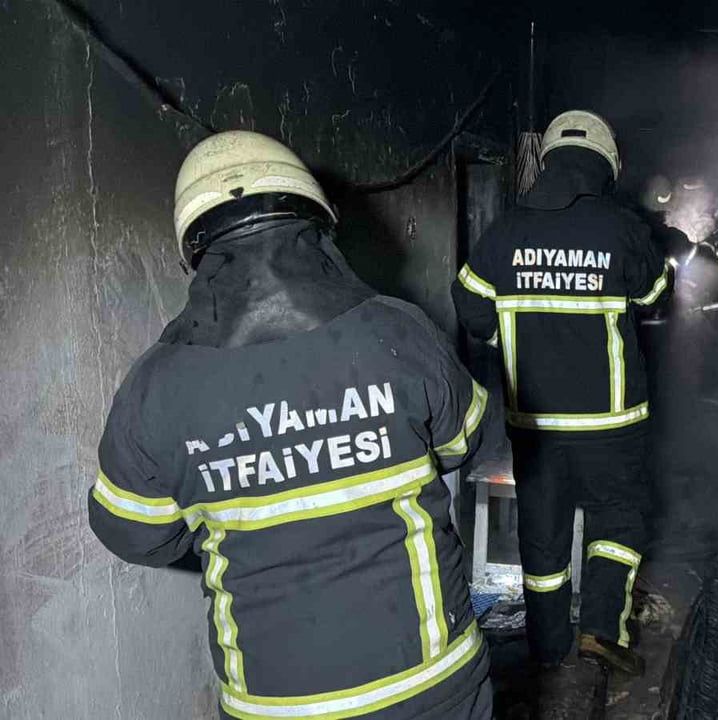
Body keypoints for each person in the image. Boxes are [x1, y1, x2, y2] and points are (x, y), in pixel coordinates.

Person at [88, 131, 493, 720]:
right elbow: (463, 441)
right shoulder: (398, 330)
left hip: (275, 702)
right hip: (433, 681)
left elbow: (133, 533)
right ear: (317, 224)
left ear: (196, 250)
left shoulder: (156, 385)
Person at [452, 111, 667, 680]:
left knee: (542, 537)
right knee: (618, 520)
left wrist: (516, 340)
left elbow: (470, 307)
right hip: (612, 423)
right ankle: (600, 630)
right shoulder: (621, 229)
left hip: (537, 423)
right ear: (606, 166)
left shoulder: (506, 232)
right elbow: (654, 295)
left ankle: (547, 649)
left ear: (547, 161)